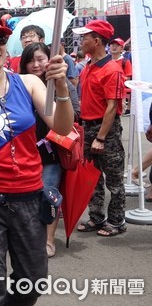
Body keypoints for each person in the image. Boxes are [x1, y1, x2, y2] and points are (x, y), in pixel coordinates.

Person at [0, 16, 73, 305]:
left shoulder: (29, 82)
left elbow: (62, 127)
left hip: (29, 197)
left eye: (0, 40)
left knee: (33, 281)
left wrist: (63, 88)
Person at [20, 42, 81, 258]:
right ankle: (30, 237)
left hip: (52, 153)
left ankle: (48, 240)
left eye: (40, 59)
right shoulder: (19, 85)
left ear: (49, 60)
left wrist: (59, 97)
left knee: (50, 195)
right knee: (26, 199)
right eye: (31, 60)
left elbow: (75, 114)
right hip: (24, 153)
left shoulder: (61, 84)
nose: (36, 64)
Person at [73, 20, 127, 237]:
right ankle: (97, 218)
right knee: (92, 176)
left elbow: (112, 107)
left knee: (113, 178)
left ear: (96, 41)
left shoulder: (112, 69)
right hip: (88, 127)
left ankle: (117, 221)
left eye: (85, 37)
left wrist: (101, 138)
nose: (81, 40)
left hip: (106, 131)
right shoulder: (88, 66)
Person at [109, 38, 133, 115]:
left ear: (122, 48)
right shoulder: (106, 61)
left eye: (117, 45)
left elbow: (128, 78)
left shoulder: (125, 62)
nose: (114, 47)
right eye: (112, 45)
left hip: (119, 94)